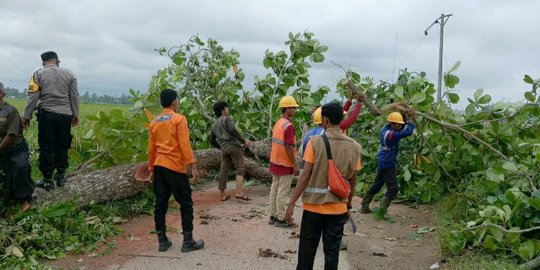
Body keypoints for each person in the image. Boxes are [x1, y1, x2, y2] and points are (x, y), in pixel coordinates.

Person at [285, 102, 362, 270]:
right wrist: (348, 205)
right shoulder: (355, 147)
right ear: (341, 119)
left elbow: (305, 175)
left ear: (325, 121)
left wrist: (291, 203)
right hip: (337, 210)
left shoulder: (314, 142)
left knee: (307, 253)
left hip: (313, 208)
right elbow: (352, 180)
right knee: (332, 253)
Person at [148, 88, 204, 253]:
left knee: (160, 204)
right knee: (186, 204)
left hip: (159, 167)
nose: (178, 103)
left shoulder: (154, 122)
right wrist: (193, 166)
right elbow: (184, 145)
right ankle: (188, 242)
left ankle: (162, 241)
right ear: (174, 102)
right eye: (177, 100)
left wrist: (151, 169)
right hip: (174, 167)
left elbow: (151, 149)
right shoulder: (179, 119)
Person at [22, 51, 80, 191]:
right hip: (65, 115)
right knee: (63, 145)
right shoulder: (70, 74)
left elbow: (32, 97)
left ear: (43, 63)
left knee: (46, 147)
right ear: (57, 61)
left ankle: (47, 179)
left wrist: (26, 116)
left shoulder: (37, 75)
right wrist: (75, 114)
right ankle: (61, 176)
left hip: (47, 115)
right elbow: (74, 96)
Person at [360, 110, 415, 214]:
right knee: (393, 189)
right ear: (392, 124)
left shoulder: (385, 129)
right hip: (388, 164)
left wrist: (404, 117)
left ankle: (364, 206)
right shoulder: (391, 135)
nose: (400, 126)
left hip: (382, 161)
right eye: (398, 125)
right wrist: (411, 119)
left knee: (376, 185)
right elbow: (408, 132)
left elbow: (401, 129)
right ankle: (381, 210)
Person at [0, 82, 35, 211]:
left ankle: (25, 199)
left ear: (2, 94)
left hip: (16, 148)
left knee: (20, 167)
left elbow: (11, 135)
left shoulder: (10, 110)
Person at [210, 101, 252, 201]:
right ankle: (239, 192)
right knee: (240, 168)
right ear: (223, 110)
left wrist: (221, 146)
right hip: (233, 146)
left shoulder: (214, 125)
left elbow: (211, 141)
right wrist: (243, 140)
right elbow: (232, 129)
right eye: (227, 108)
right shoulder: (227, 119)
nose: (228, 110)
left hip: (224, 148)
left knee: (223, 170)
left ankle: (222, 195)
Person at [268, 96, 300, 228]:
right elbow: (288, 147)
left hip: (275, 161)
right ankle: (281, 218)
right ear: (287, 109)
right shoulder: (289, 125)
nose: (295, 110)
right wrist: (295, 165)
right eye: (293, 107)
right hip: (284, 162)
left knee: (274, 189)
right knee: (282, 191)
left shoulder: (278, 123)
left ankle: (273, 215)